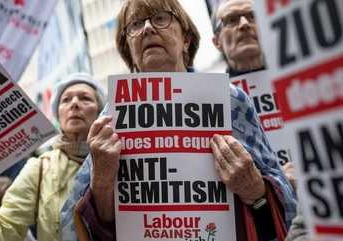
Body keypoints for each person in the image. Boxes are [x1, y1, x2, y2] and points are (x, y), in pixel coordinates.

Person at [60, 1, 297, 241]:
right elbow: (72, 224)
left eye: (161, 18)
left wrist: (255, 189)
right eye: (136, 24)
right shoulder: (111, 118)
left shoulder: (230, 99)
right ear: (128, 50)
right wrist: (101, 181)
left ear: (186, 39)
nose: (148, 29)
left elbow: (288, 204)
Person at [0, 73, 106, 241]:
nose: (74, 104)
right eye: (66, 100)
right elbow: (0, 235)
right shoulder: (40, 168)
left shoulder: (118, 159)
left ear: (100, 113)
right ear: (58, 115)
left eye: (85, 99)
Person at [211, 0, 297, 189]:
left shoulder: (302, 81)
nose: (244, 24)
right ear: (216, 41)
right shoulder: (210, 101)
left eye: (253, 16)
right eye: (231, 20)